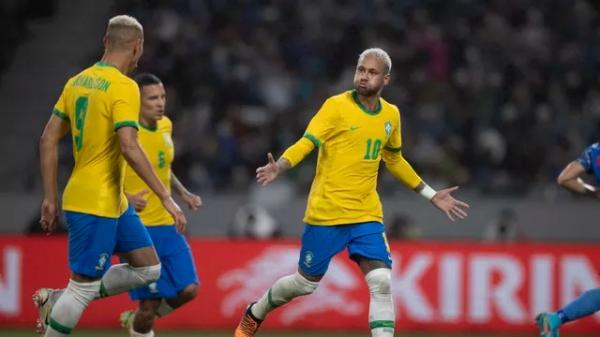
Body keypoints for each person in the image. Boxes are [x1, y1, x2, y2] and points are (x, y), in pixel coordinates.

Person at [234, 48, 469, 337]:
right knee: (305, 284)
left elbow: (394, 159)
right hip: (326, 213)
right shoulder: (336, 106)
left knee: (381, 281)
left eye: (372, 72)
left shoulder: (391, 116)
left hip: (365, 213)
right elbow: (307, 142)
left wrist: (431, 194)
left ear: (386, 79)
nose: (363, 76)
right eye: (361, 70)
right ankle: (255, 311)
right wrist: (280, 166)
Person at [35, 15, 186, 337]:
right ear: (137, 47)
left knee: (148, 268)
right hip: (94, 203)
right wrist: (165, 196)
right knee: (82, 288)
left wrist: (49, 197)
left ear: (105, 41)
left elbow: (48, 138)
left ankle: (58, 299)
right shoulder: (124, 87)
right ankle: (64, 302)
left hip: (111, 201)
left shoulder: (77, 81)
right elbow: (130, 147)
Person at [118, 73, 201, 337]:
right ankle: (141, 321)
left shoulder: (166, 125)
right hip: (138, 229)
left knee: (189, 290)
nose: (160, 103)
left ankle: (138, 320)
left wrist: (183, 193)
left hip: (167, 225)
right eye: (153, 98)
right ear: (137, 101)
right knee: (149, 304)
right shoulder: (127, 133)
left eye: (163, 96)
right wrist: (126, 198)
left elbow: (162, 168)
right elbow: (104, 173)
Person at [536, 142, 600, 337]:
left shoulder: (596, 150)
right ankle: (555, 318)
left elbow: (565, 178)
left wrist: (594, 192)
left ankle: (555, 319)